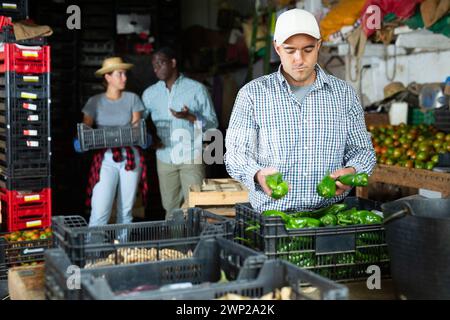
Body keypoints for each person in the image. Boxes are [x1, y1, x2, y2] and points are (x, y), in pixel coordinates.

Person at [225, 9, 376, 213]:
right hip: (273, 220)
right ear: (277, 48)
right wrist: (257, 174)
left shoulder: (344, 95)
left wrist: (353, 171)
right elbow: (235, 155)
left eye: (308, 49)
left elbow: (363, 151)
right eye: (290, 50)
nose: (299, 59)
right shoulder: (252, 95)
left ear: (319, 46)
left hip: (330, 219)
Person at [142, 47, 218, 219]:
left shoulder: (197, 89)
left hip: (191, 154)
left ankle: (195, 245)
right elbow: (139, 124)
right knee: (171, 209)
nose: (156, 68)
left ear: (173, 63)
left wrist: (190, 117)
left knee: (196, 207)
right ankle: (176, 246)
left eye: (160, 63)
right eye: (154, 65)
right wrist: (150, 139)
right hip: (164, 157)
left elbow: (213, 123)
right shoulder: (149, 94)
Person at [81, 57, 148, 227]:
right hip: (106, 158)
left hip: (130, 157)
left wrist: (143, 136)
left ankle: (123, 249)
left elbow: (136, 126)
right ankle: (93, 251)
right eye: (119, 74)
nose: (124, 78)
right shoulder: (94, 102)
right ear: (108, 77)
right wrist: (81, 140)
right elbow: (86, 129)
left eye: (125, 74)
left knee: (125, 211)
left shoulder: (133, 99)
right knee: (100, 209)